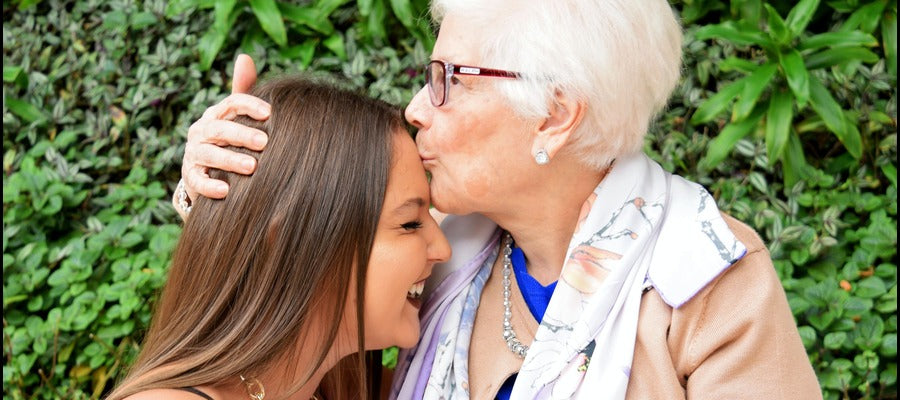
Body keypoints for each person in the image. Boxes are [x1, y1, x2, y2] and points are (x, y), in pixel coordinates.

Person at [176, 1, 823, 399]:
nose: (414, 109)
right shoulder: (432, 245)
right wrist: (227, 191)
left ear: (553, 115)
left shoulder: (706, 276)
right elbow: (296, 284)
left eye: (445, 81)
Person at [108, 76, 450, 400]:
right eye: (409, 224)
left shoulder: (340, 385)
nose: (444, 249)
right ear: (295, 244)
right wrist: (226, 207)